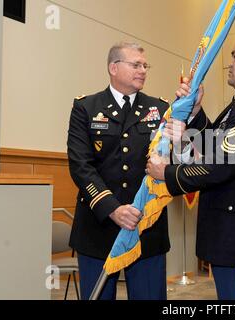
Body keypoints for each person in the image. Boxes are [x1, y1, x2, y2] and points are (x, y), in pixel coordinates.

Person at [146, 32, 235, 300]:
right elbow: (219, 147)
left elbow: (222, 166)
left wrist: (166, 173)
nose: (230, 63)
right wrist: (197, 112)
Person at [67, 42, 170, 300]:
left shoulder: (159, 109)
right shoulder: (86, 108)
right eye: (136, 64)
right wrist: (112, 208)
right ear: (114, 68)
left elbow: (177, 157)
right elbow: (81, 165)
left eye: (145, 65)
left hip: (146, 224)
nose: (143, 70)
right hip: (98, 225)